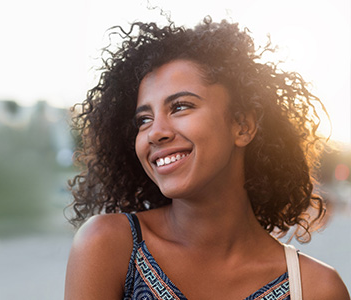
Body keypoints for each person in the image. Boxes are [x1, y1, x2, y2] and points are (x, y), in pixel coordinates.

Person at [64, 17, 350, 300]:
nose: (155, 133)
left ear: (242, 126)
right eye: (144, 119)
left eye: (180, 107)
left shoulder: (316, 289)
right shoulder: (109, 246)